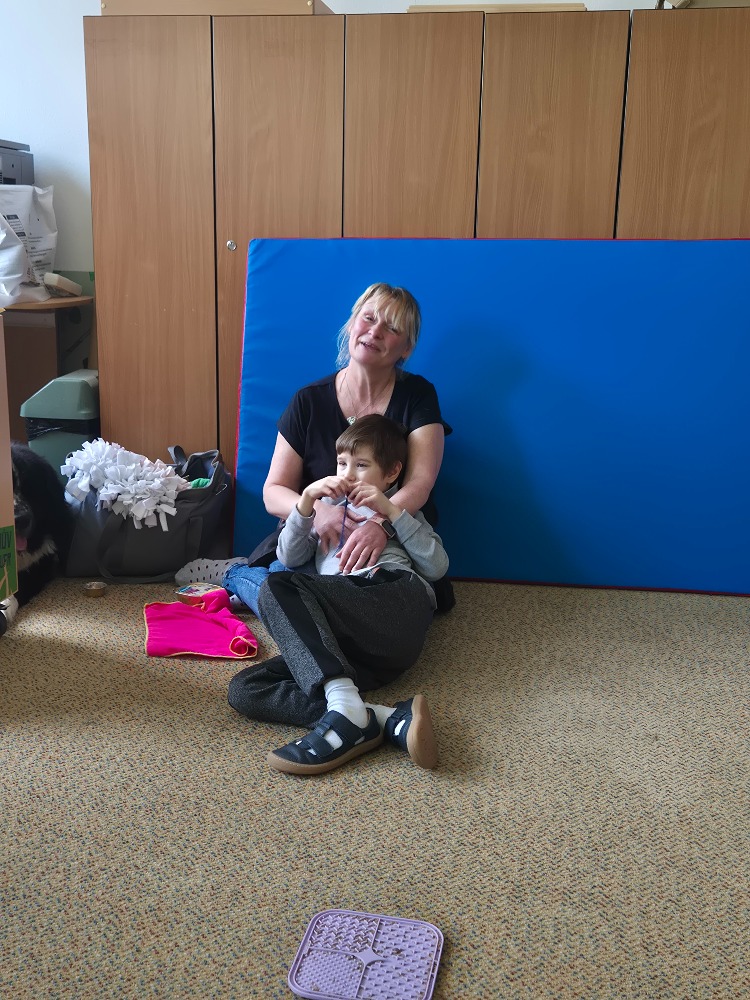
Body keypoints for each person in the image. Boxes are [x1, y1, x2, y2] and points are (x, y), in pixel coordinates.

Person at [176, 281, 454, 613]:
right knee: (287, 581)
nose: (375, 331)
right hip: (317, 539)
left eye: (391, 327)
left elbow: (420, 483)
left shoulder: (418, 396)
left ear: (406, 348)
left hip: (394, 538)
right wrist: (320, 512)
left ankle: (262, 590)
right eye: (368, 318)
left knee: (414, 598)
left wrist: (381, 524)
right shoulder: (308, 401)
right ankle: (237, 575)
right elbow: (273, 492)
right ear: (351, 324)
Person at [227, 414, 449, 776]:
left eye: (361, 465)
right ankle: (379, 717)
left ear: (392, 473)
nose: (348, 474)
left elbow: (437, 566)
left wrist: (390, 513)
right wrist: (307, 504)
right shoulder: (327, 514)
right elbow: (289, 557)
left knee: (278, 586)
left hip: (394, 603)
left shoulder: (399, 513)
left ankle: (348, 708)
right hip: (349, 651)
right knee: (246, 689)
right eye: (342, 463)